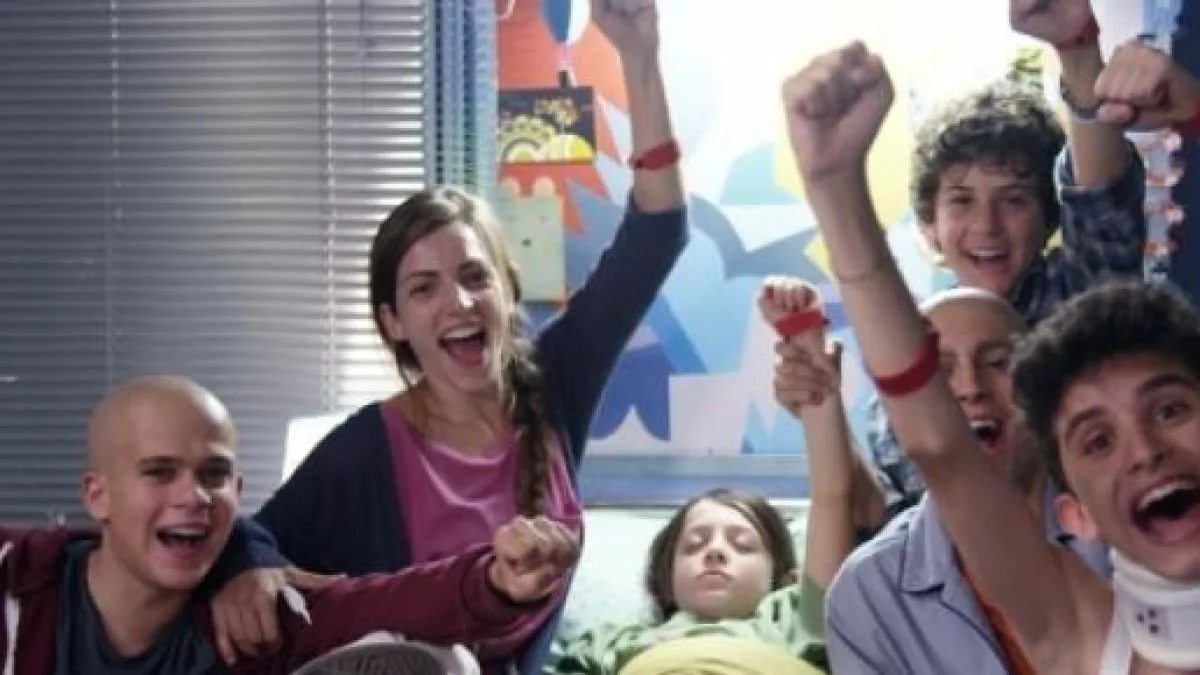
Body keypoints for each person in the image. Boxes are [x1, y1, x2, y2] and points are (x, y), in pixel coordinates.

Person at [205, 1, 688, 672]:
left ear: (506, 290)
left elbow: (656, 235)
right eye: (423, 287)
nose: (457, 302)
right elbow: (251, 539)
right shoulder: (366, 448)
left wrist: (640, 57)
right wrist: (251, 568)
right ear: (393, 323)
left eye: (473, 276)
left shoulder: (555, 381)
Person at [780, 23, 1200, 675]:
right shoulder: (1072, 623)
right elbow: (940, 454)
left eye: (1170, 409)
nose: (1144, 450)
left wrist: (1091, 57)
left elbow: (1100, 202)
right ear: (1078, 516)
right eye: (1095, 440)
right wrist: (834, 189)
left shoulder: (1085, 296)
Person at [0, 375, 579, 674]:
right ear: (97, 495)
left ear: (238, 493)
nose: (193, 496)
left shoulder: (262, 616)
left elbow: (391, 600)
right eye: (159, 472)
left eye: (214, 475)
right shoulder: (20, 585)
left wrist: (497, 580)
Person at [867, 0, 1150, 507]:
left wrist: (1077, 48)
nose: (987, 226)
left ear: (1048, 218)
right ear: (929, 226)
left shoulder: (1081, 301)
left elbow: (1101, 198)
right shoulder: (911, 348)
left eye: (1014, 200)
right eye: (962, 201)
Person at [544, 279, 879, 675]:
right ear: (666, 581)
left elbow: (833, 497)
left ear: (785, 579)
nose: (715, 552)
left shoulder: (796, 622)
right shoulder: (613, 643)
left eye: (743, 545)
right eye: (694, 545)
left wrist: (808, 353)